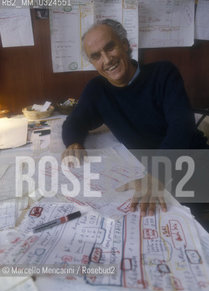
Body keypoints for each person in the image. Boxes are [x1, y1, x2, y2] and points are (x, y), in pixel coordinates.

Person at [62, 19, 208, 217]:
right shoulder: (97, 89)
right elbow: (74, 121)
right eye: (96, 56)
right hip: (143, 168)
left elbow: (181, 127)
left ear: (125, 44)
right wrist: (73, 141)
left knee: (189, 225)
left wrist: (158, 173)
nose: (106, 60)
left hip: (190, 163)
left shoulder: (163, 73)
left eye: (110, 47)